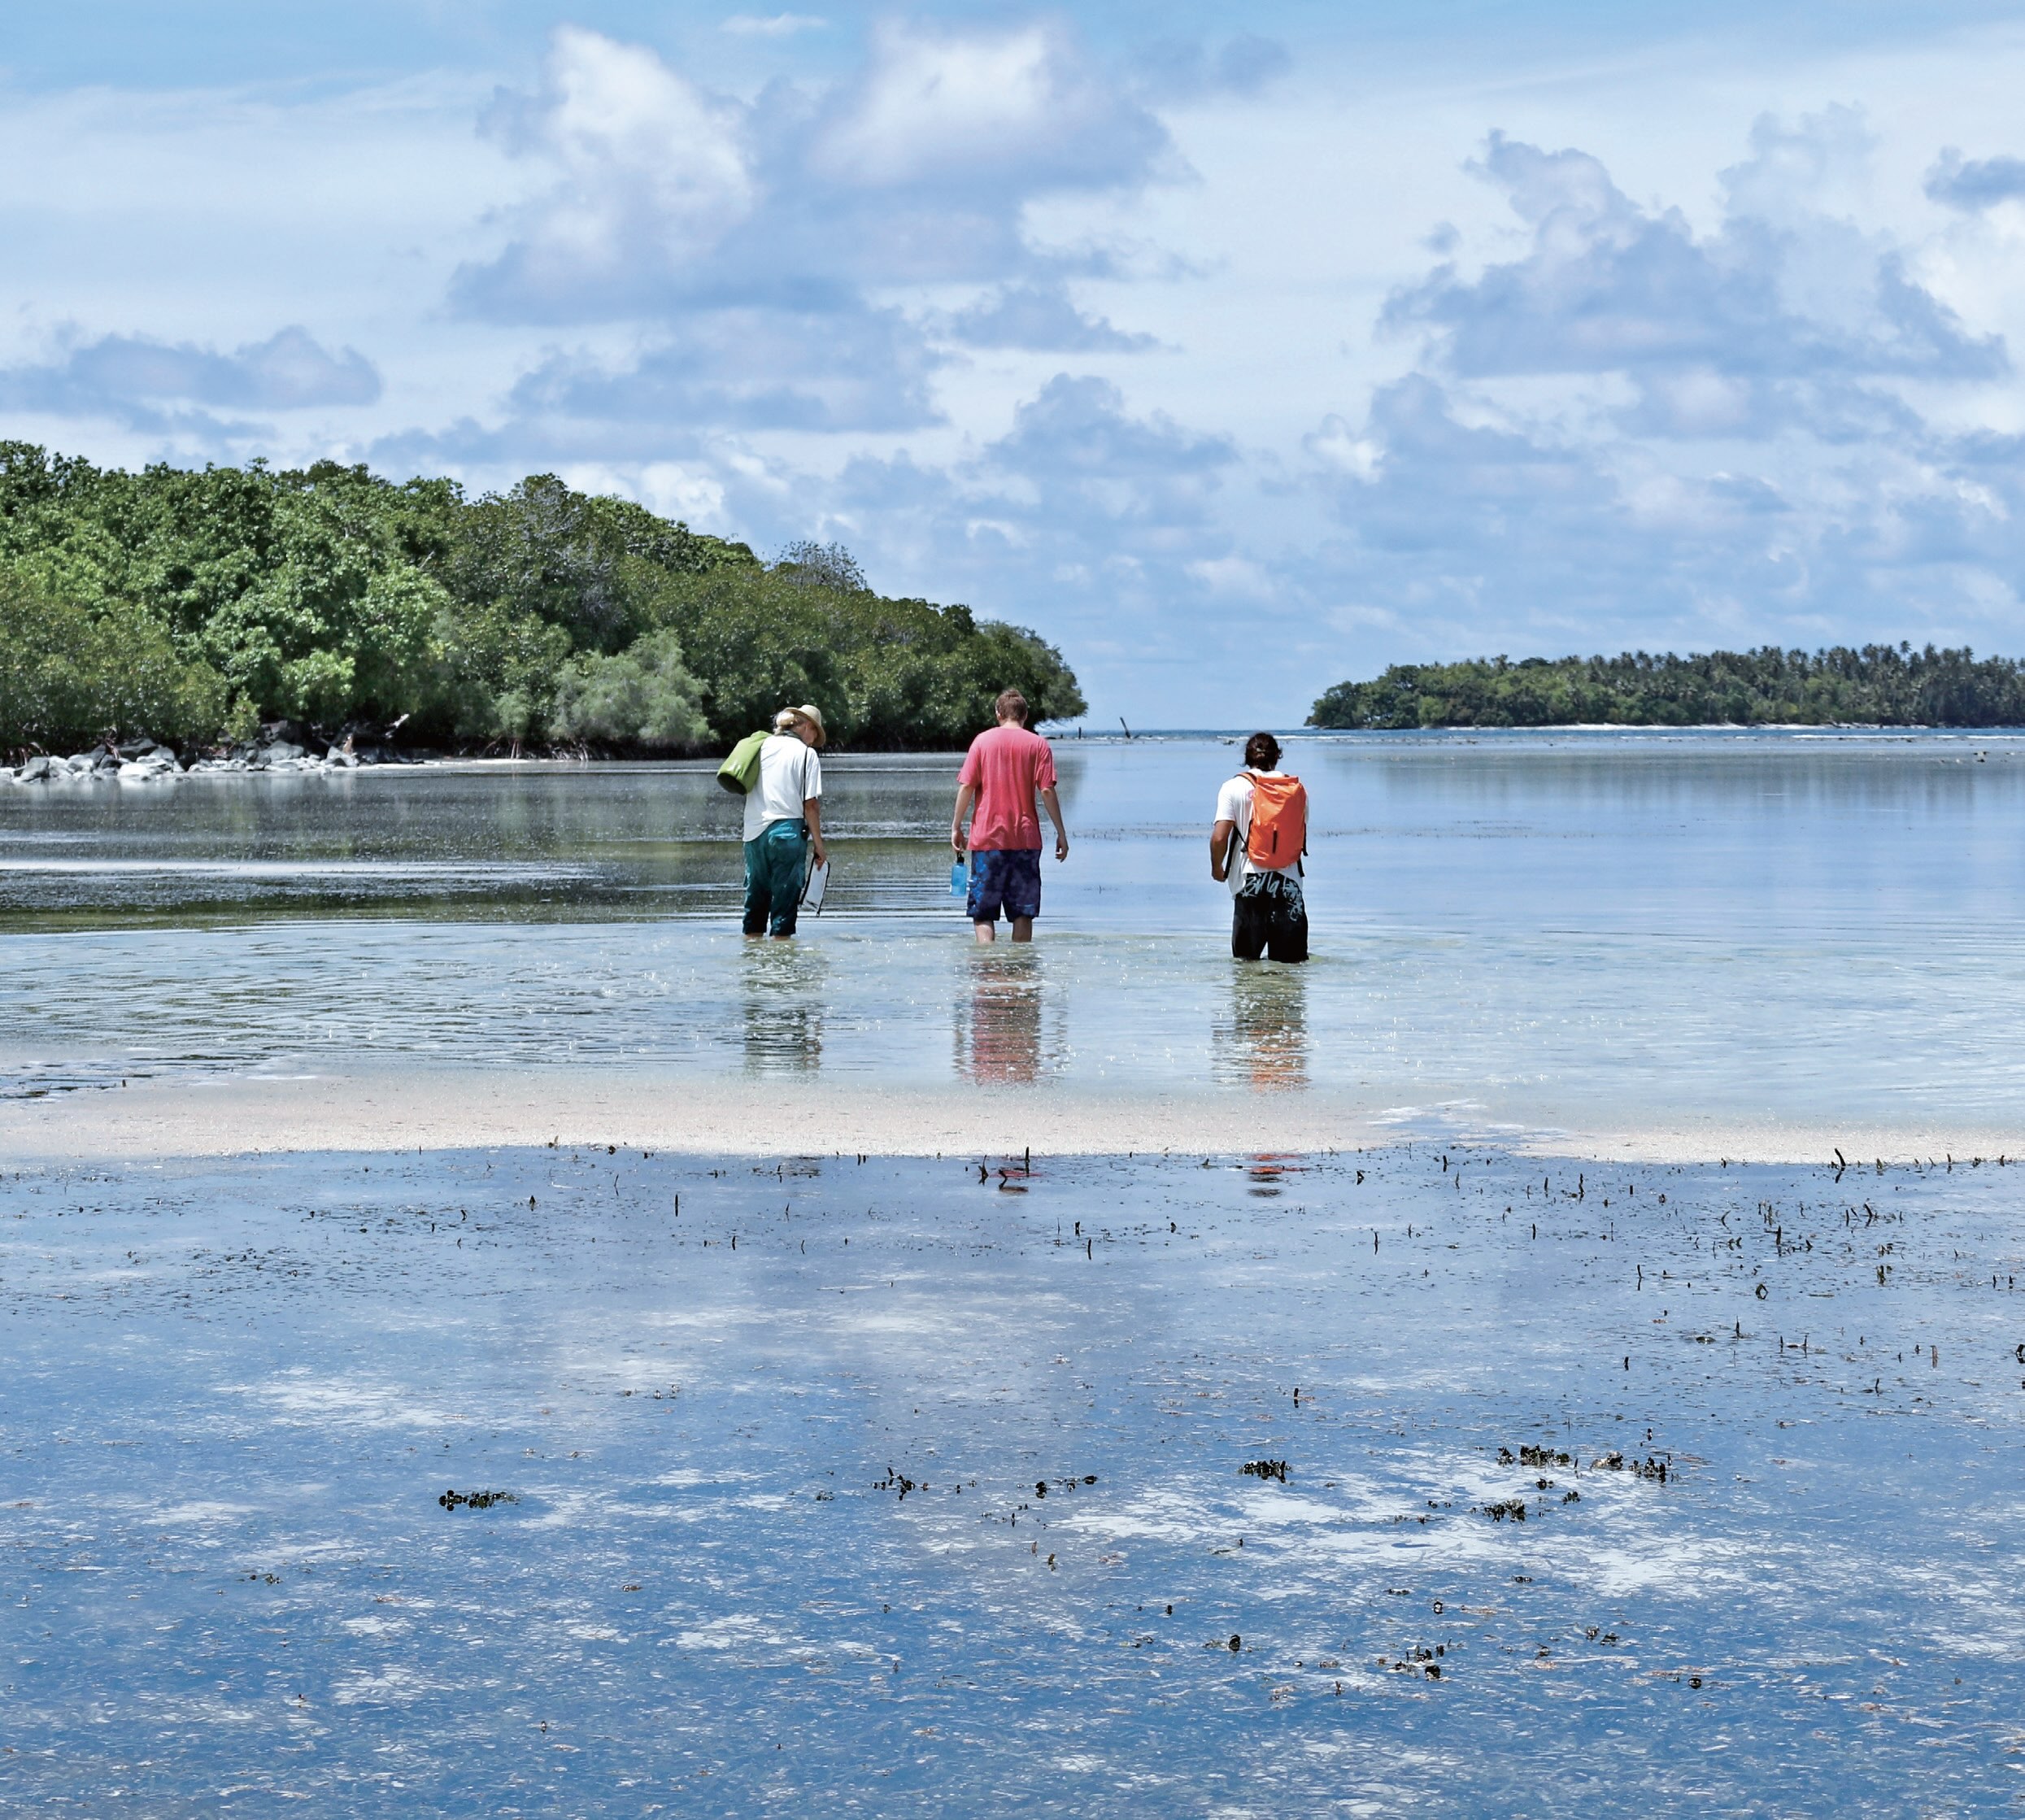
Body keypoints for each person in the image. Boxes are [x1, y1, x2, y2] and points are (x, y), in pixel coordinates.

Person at [951, 688, 1069, 944]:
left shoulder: (982, 742)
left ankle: (987, 968)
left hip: (987, 840)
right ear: (1025, 716)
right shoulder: (1038, 745)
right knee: (1023, 913)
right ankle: (1020, 974)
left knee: (983, 913)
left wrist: (956, 826)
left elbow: (967, 786)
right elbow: (1047, 790)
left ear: (998, 714)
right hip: (1025, 842)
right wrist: (1061, 832)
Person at [1211, 732, 1309, 963]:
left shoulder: (1233, 787)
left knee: (1246, 967)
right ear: (1277, 757)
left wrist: (1218, 868)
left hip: (1249, 883)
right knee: (1291, 968)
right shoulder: (1296, 789)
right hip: (1289, 884)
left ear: (1247, 757)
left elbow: (1219, 837)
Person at [742, 704, 827, 939]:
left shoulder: (761, 746)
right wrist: (819, 846)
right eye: (815, 736)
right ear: (808, 727)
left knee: (755, 904)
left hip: (753, 835)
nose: (813, 742)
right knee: (784, 908)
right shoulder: (806, 754)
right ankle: (782, 962)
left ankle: (753, 955)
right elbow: (810, 805)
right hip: (786, 834)